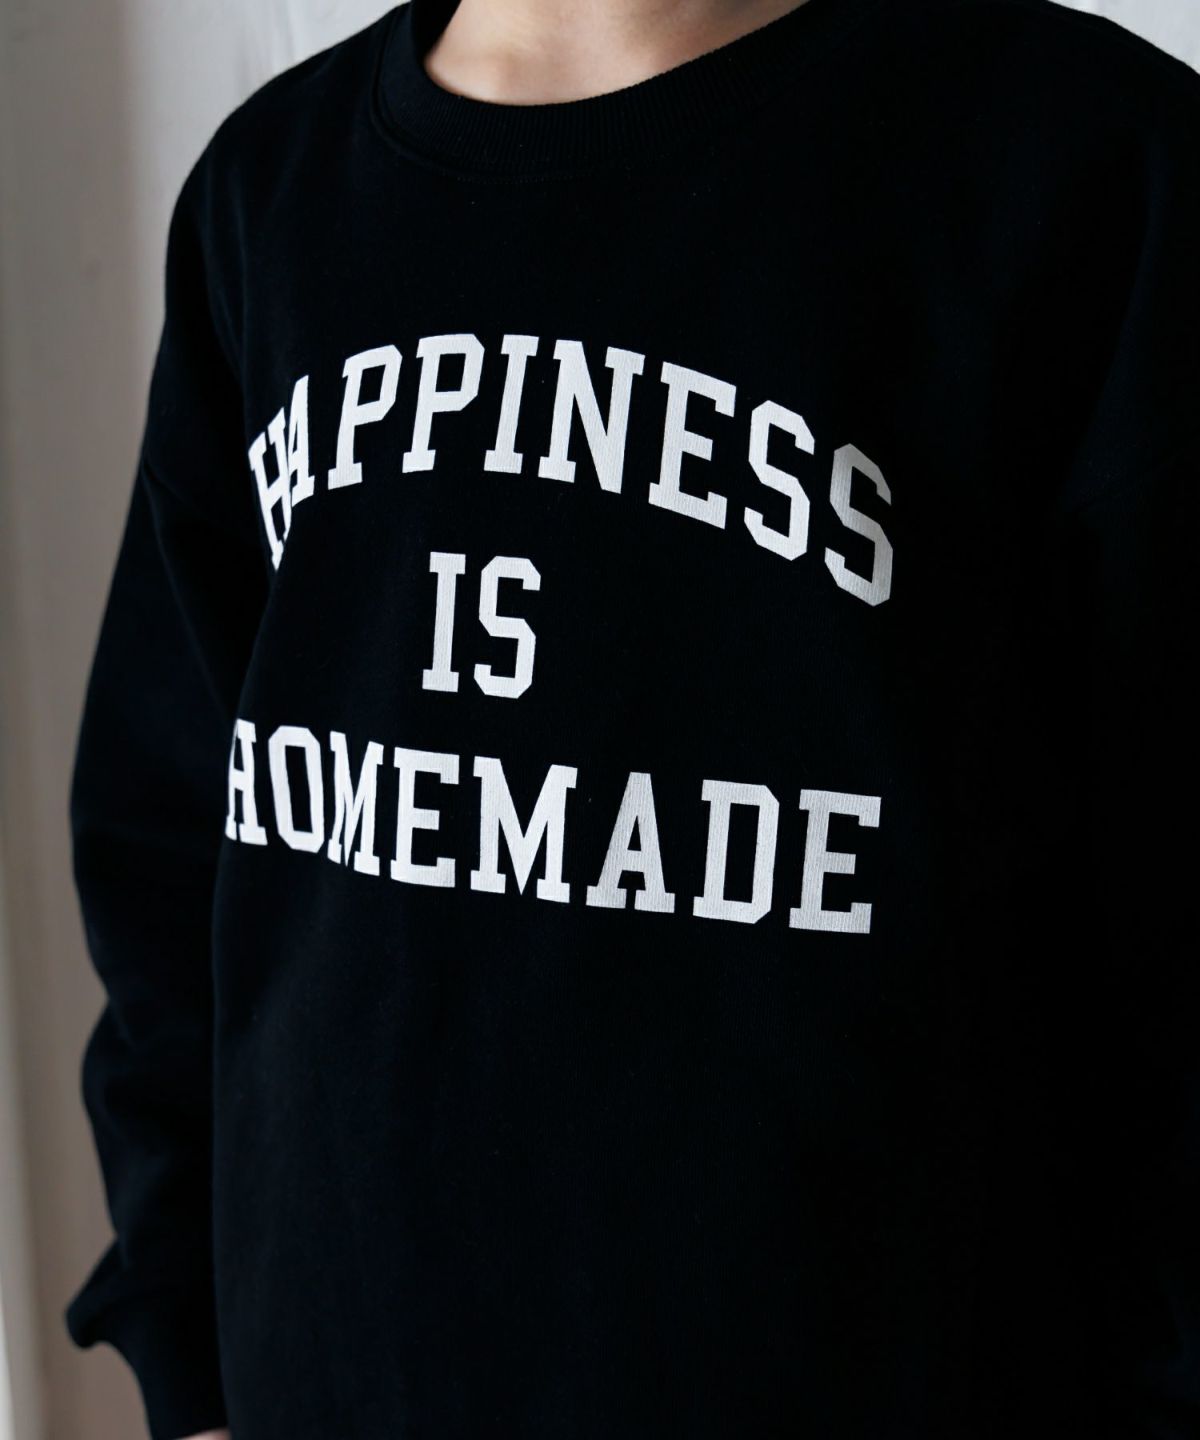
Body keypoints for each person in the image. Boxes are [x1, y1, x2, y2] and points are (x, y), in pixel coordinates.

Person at [62, 0, 1199, 1436]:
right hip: (335, 1379)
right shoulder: (269, 194)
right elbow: (172, 838)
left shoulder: (1089, 167)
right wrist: (190, 1359)